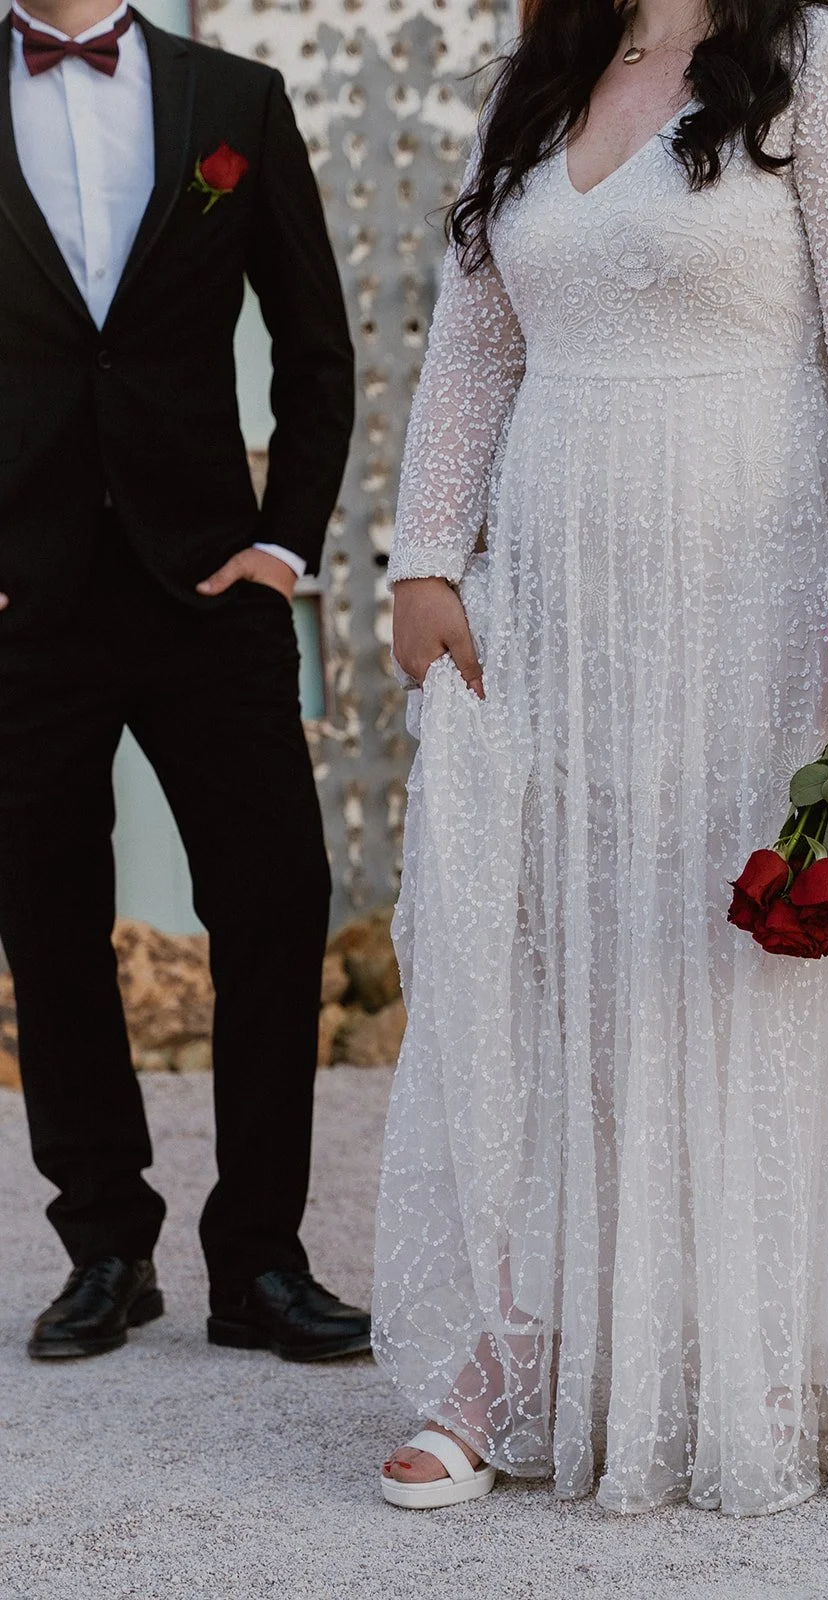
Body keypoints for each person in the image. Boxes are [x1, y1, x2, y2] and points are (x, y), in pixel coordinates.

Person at [374, 0, 828, 1514]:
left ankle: (747, 1349)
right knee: (551, 961)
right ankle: (516, 1349)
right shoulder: (541, 79)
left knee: (723, 962)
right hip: (555, 604)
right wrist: (426, 554)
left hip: (754, 589)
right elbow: (476, 339)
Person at [0, 0, 370, 1364]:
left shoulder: (236, 100)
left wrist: (283, 544)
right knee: (45, 915)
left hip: (210, 583)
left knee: (277, 897)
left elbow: (316, 346)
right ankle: (105, 1245)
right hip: (23, 597)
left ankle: (260, 1259)